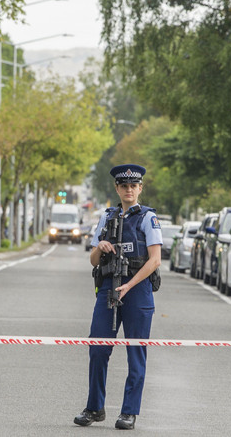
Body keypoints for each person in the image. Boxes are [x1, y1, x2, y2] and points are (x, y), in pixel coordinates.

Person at [74, 164, 162, 430]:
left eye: (134, 186)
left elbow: (155, 260)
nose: (129, 190)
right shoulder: (106, 217)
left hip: (137, 291)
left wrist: (130, 285)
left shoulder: (148, 218)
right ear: (117, 188)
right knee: (98, 349)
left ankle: (129, 412)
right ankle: (94, 407)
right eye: (124, 186)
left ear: (140, 188)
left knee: (136, 352)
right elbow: (92, 260)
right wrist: (100, 248)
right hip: (109, 289)